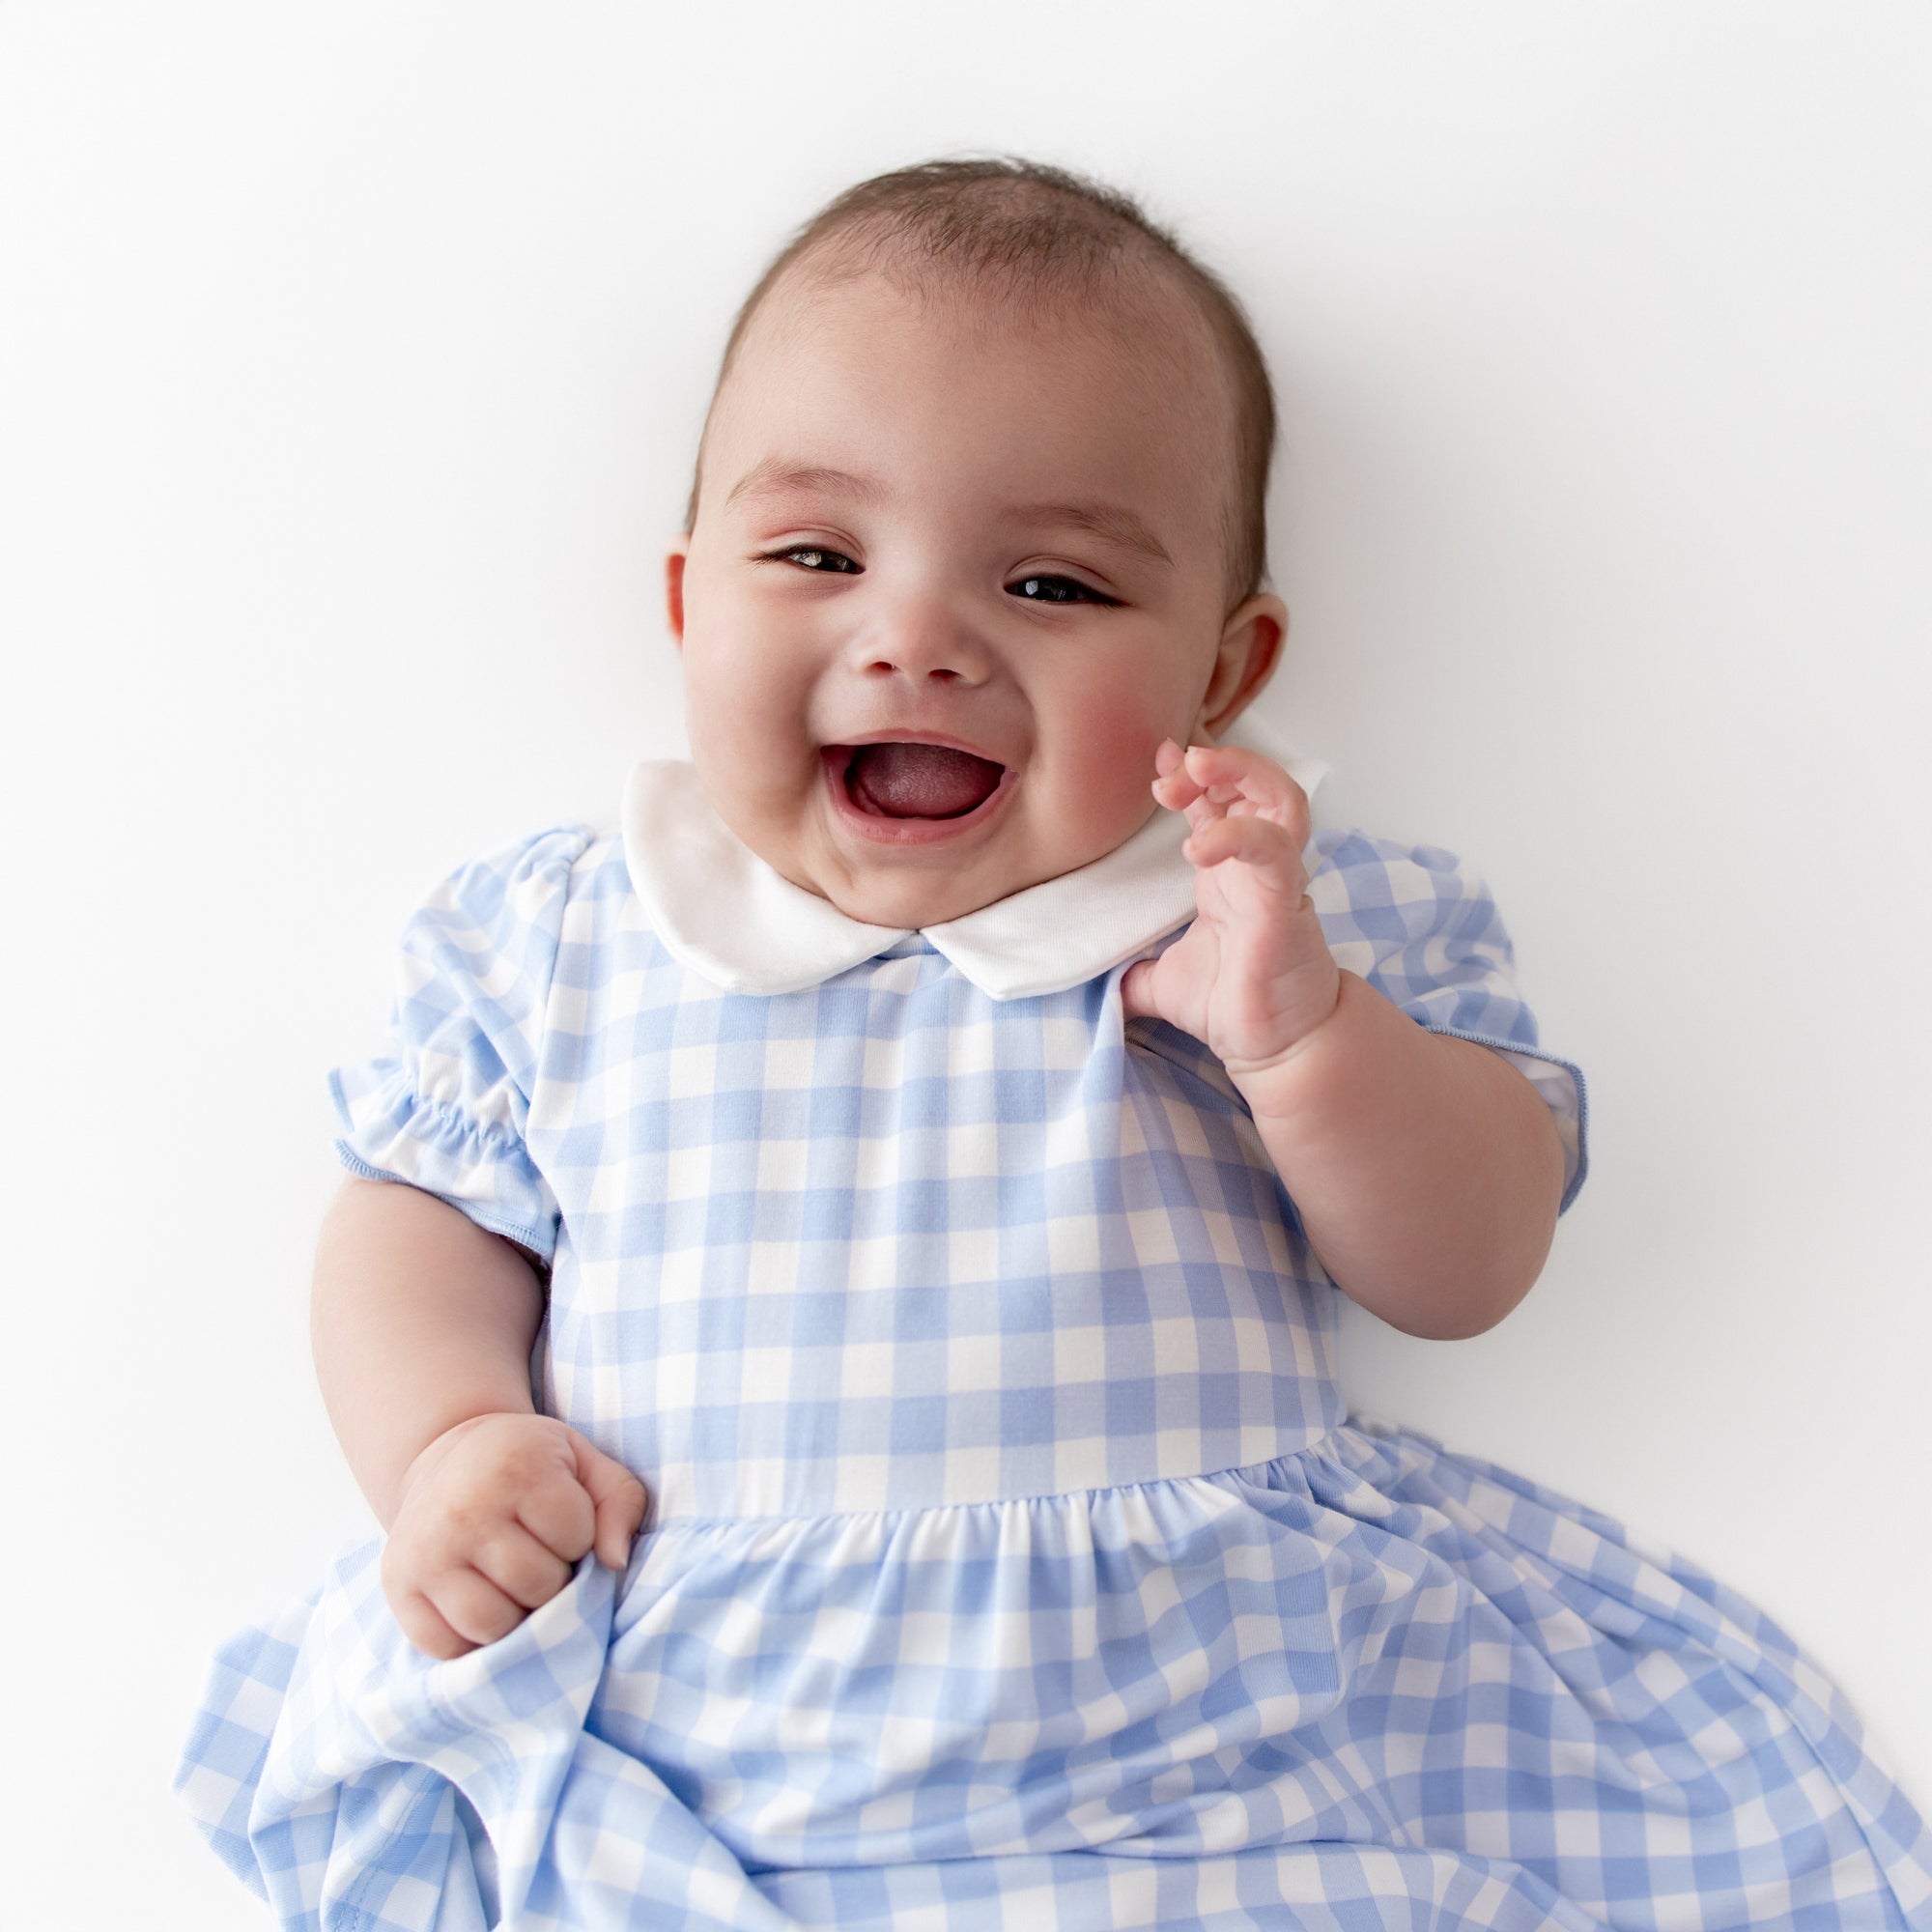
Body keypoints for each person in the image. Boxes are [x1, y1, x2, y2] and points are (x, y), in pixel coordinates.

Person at [175, 158, 1932, 1932]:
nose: (919, 638)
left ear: (1222, 673)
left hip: (1202, 1747)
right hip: (709, 1761)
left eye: (1054, 585)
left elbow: (1469, 1267)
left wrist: (1305, 1038)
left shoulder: (1265, 916)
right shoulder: (572, 940)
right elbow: (413, 1219)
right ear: (692, 600)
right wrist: (451, 1440)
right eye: (815, 555)